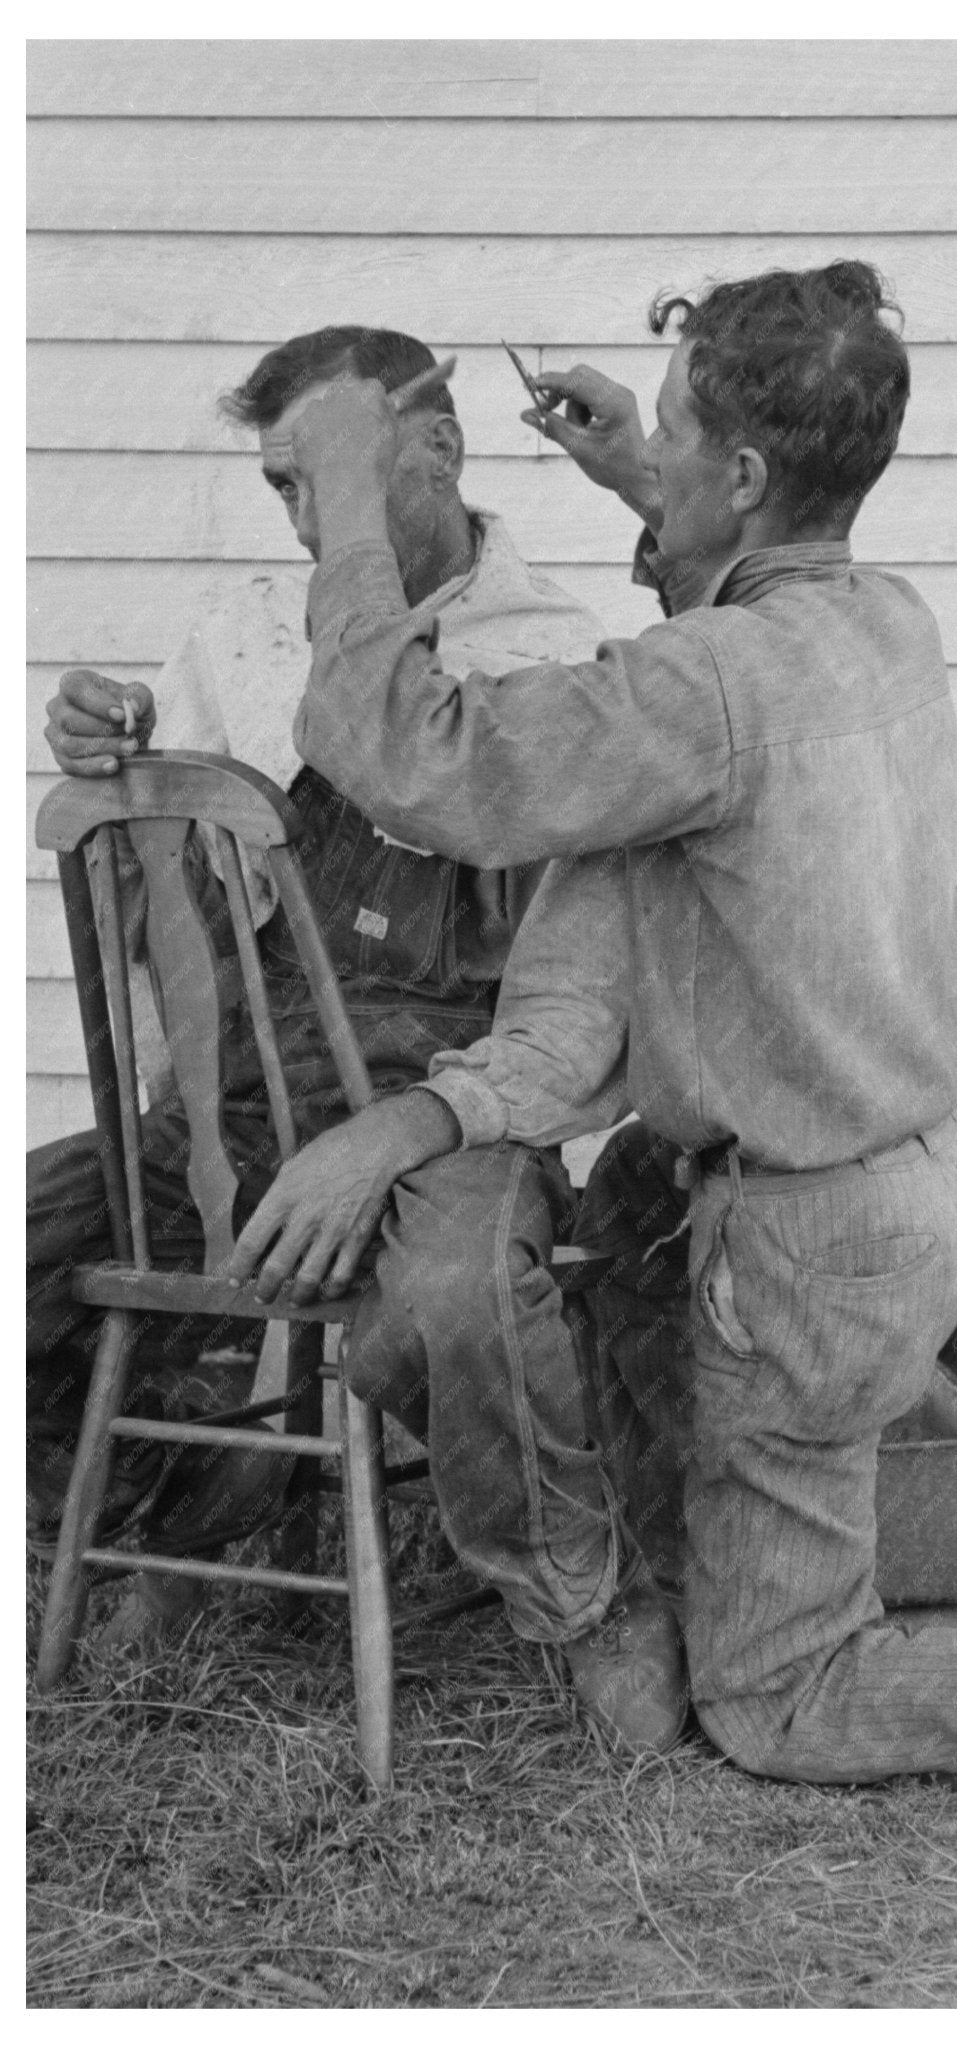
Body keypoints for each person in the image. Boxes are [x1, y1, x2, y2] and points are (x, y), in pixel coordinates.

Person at [227, 263, 957, 1820]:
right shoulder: (879, 621)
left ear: (741, 476)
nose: (646, 446)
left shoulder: (706, 692)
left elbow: (421, 760)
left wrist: (345, 499)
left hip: (812, 1246)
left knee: (777, 1697)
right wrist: (637, 482)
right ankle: (722, 1555)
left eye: (669, 433)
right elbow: (735, 643)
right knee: (616, 1245)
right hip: (909, 1181)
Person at [28, 328, 674, 1743]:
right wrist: (119, 748)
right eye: (283, 491)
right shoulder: (245, 633)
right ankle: (180, 1495)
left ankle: (576, 1592)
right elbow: (164, 911)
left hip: (445, 1104)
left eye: (326, 482)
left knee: (452, 1299)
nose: (309, 525)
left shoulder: (562, 655)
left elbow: (573, 1004)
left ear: (437, 453)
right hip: (251, 1099)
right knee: (31, 1242)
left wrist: (410, 1133)